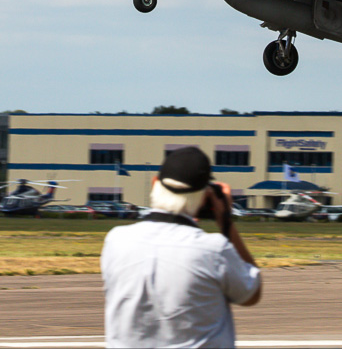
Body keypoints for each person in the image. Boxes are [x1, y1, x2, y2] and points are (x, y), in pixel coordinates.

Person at [101, 147, 261, 348]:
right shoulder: (213, 249)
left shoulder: (116, 240)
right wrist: (225, 222)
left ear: (154, 184)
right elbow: (251, 293)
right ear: (205, 197)